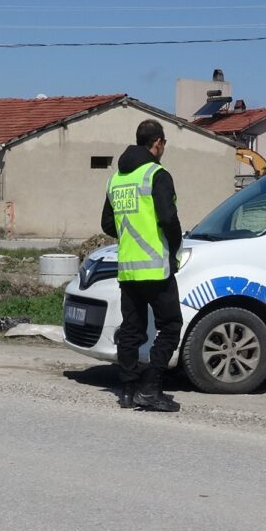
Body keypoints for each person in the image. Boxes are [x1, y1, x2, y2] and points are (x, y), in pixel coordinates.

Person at [100, 119, 182, 412]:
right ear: (157, 142)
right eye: (164, 144)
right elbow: (169, 219)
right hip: (156, 268)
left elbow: (107, 223)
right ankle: (151, 387)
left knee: (132, 330)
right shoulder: (156, 175)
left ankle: (127, 390)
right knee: (171, 326)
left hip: (128, 268)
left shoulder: (116, 179)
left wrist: (129, 233)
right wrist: (174, 249)